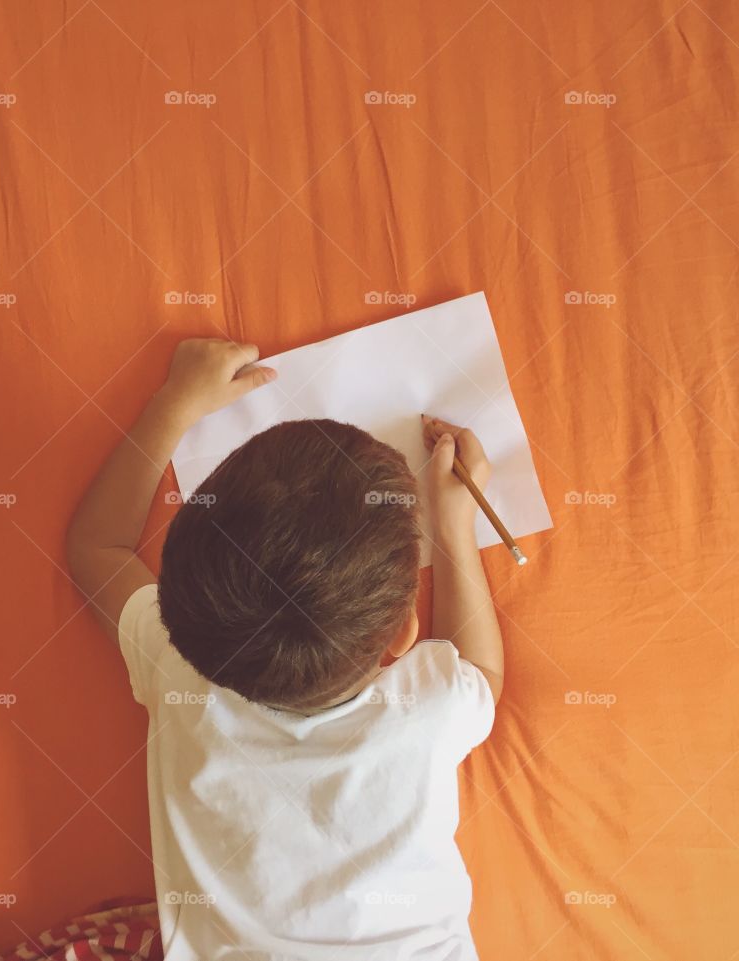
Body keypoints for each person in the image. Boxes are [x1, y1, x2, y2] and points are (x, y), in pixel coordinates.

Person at [66, 337, 505, 960]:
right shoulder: (431, 707)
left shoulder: (176, 668)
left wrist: (174, 404)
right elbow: (482, 673)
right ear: (407, 635)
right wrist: (455, 519)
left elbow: (96, 547)